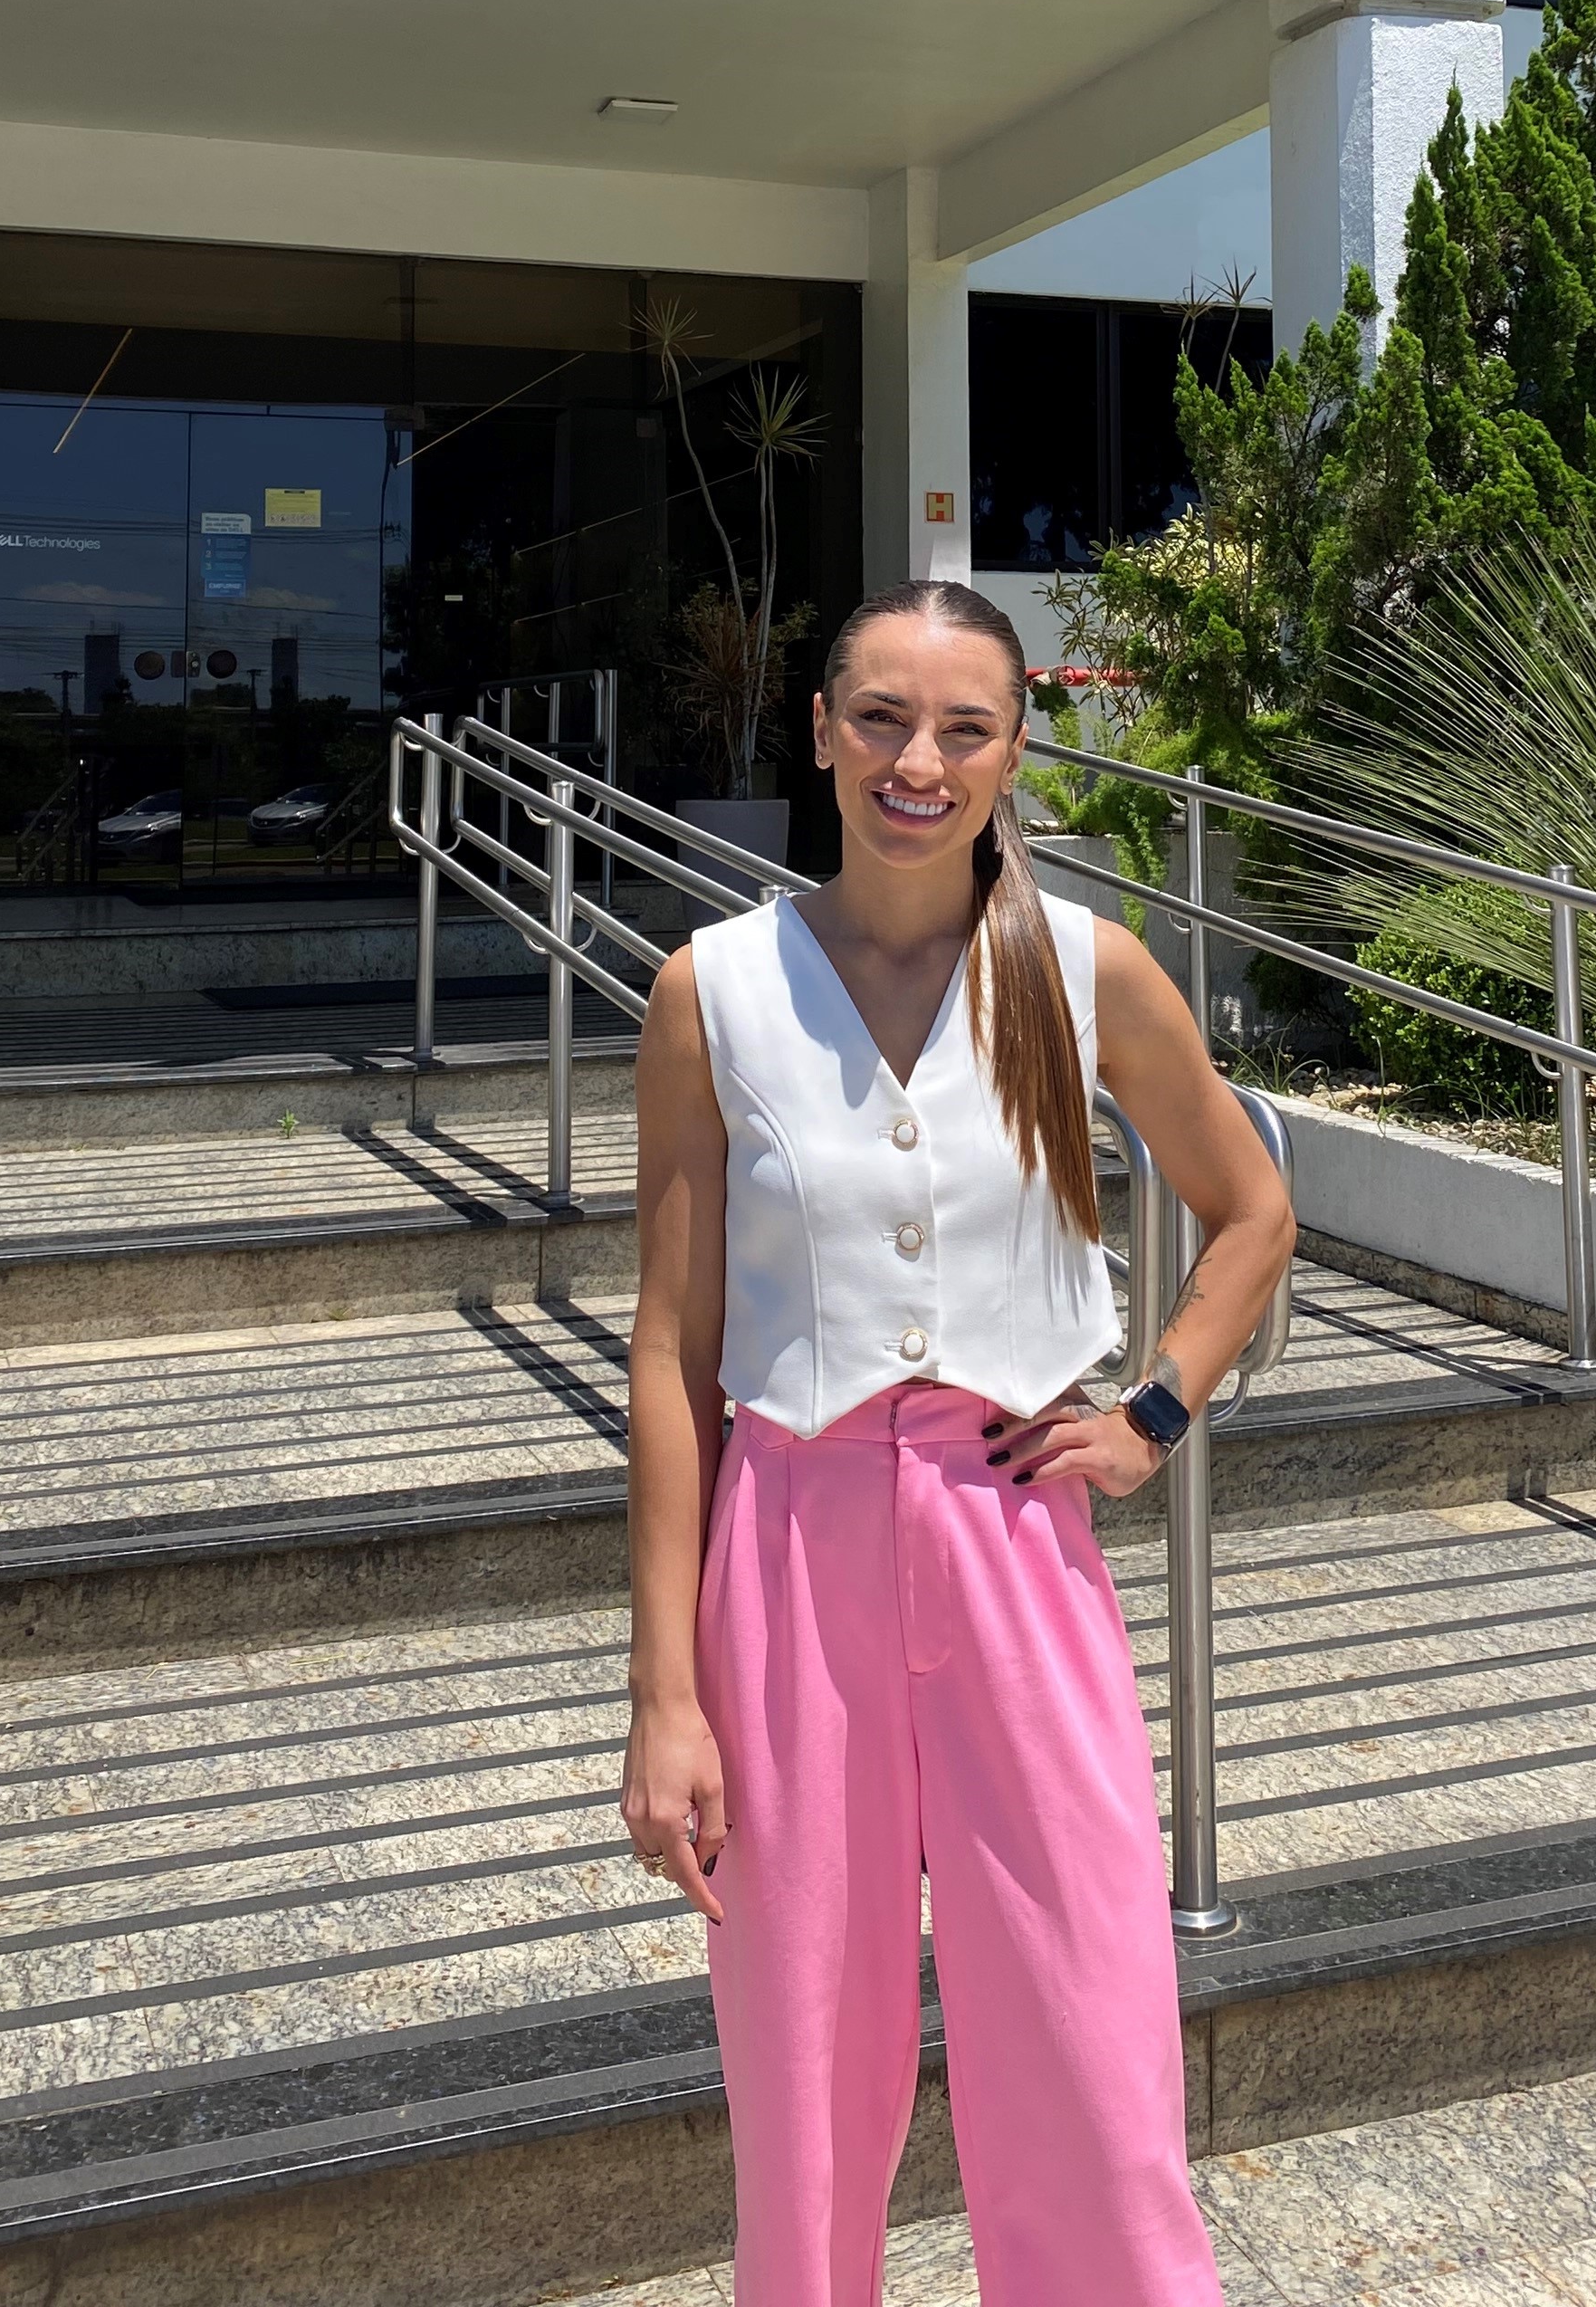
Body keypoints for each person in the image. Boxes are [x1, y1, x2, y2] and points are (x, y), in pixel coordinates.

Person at [620, 575, 1298, 2305]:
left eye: (965, 728)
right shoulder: (714, 991)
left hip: (1014, 1546)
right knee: (804, 2069)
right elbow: (674, 1352)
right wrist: (663, 1697)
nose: (918, 761)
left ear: (1011, 751)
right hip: (789, 1559)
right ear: (823, 730)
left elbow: (1250, 1214)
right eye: (882, 719)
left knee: (1089, 2034)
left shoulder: (1087, 972)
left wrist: (1151, 1412)